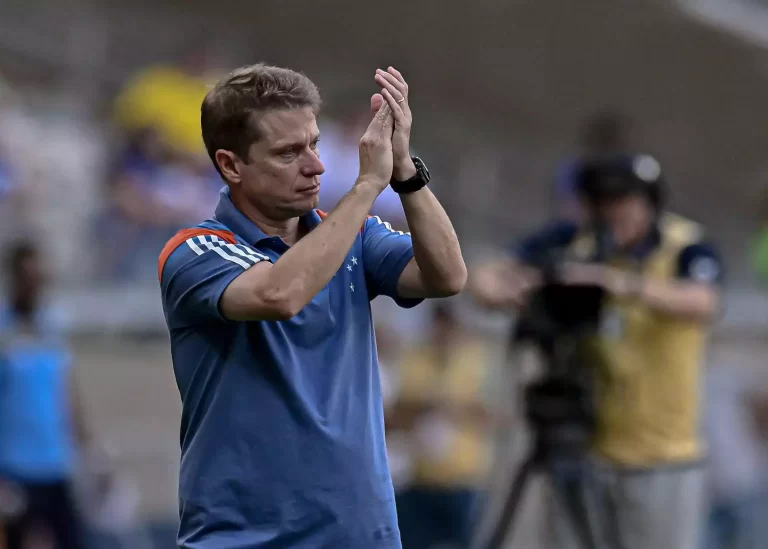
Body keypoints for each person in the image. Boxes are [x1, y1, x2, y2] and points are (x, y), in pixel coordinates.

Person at [157, 63, 466, 549]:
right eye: (288, 153)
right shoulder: (194, 250)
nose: (316, 166)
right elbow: (279, 294)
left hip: (362, 535)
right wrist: (366, 186)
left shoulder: (355, 235)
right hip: (246, 539)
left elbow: (448, 275)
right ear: (231, 164)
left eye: (315, 144)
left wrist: (404, 171)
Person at [471, 154, 722, 549]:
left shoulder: (685, 246)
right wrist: (518, 290)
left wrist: (617, 284)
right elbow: (484, 278)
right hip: (587, 444)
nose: (615, 212)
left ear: (649, 200)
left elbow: (703, 303)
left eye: (624, 200)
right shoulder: (577, 241)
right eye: (603, 202)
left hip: (662, 452)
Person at [0, 241, 91, 549]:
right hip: (14, 469)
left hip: (57, 464)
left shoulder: (52, 325)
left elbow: (66, 391)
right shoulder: (3, 329)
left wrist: (90, 452)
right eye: (27, 276)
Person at [387, 304, 500, 549]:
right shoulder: (416, 357)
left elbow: (495, 415)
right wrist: (425, 406)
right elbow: (395, 412)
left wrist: (454, 407)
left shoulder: (478, 360)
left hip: (464, 481)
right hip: (420, 480)